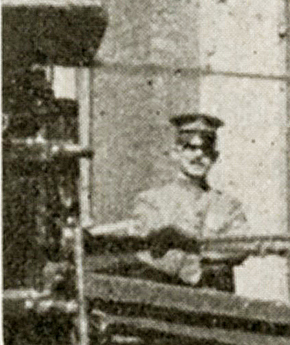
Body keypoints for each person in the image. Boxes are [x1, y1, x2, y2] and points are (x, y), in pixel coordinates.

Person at [92, 113, 248, 291]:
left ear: (215, 157)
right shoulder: (152, 201)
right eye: (190, 147)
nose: (199, 155)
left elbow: (239, 248)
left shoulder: (229, 206)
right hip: (166, 295)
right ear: (175, 153)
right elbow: (146, 244)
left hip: (215, 299)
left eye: (206, 150)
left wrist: (189, 244)